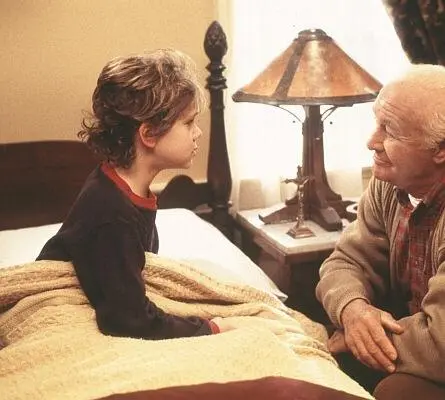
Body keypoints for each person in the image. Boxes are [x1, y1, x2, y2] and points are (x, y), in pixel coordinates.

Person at [36, 49, 252, 340]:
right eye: (189, 123)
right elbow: (129, 320)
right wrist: (210, 328)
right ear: (148, 135)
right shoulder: (111, 212)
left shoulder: (126, 188)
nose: (197, 133)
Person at [315, 63, 445, 398]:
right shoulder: (390, 182)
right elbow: (346, 263)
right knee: (312, 358)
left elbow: (441, 342)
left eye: (391, 131)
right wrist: (353, 310)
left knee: (396, 392)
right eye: (377, 123)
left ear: (440, 150)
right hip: (415, 341)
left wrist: (359, 339)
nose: (372, 142)